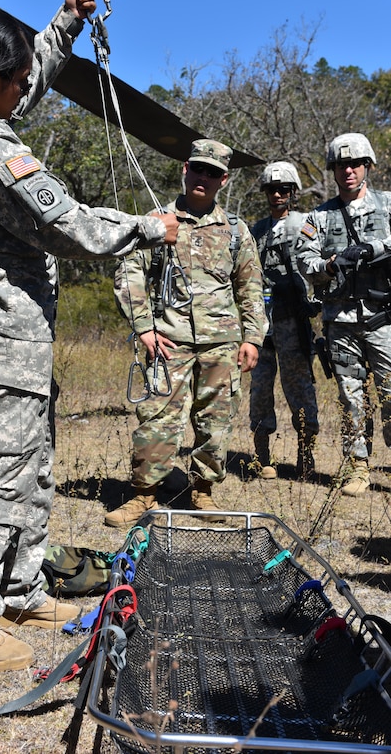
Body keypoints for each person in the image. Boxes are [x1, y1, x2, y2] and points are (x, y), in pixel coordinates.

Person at [0, 0, 179, 672]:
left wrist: (65, 22)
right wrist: (147, 228)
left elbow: (27, 83)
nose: (23, 88)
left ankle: (17, 585)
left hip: (16, 326)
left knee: (31, 458)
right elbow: (66, 225)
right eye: (14, 79)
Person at [106, 139, 265, 528]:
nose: (203, 177)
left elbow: (251, 287)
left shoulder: (236, 231)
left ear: (223, 180)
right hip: (169, 340)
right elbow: (129, 273)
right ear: (185, 169)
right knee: (157, 417)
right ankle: (144, 496)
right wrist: (143, 327)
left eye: (213, 172)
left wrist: (252, 337)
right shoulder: (157, 222)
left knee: (216, 420)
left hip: (222, 343)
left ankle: (202, 492)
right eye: (198, 168)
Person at [297, 133, 391, 497]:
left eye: (354, 164)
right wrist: (330, 265)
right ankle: (357, 466)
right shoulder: (318, 217)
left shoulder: (386, 205)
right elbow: (304, 260)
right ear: (333, 170)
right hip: (340, 322)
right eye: (340, 165)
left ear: (367, 166)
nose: (348, 171)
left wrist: (373, 249)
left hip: (384, 319)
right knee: (351, 397)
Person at [249, 161, 319, 480]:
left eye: (283, 189)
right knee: (261, 387)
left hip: (293, 319)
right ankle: (262, 455)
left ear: (292, 193)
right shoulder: (257, 230)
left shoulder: (305, 224)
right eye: (271, 190)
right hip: (262, 321)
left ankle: (306, 452)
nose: (277, 194)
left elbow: (317, 267)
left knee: (299, 388)